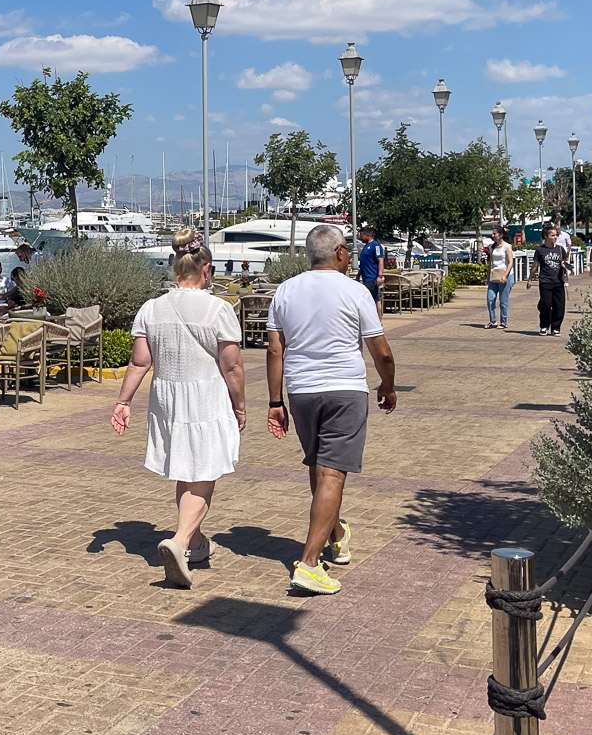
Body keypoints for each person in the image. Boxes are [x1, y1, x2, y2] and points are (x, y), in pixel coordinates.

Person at [266, 223, 397, 596]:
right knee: (333, 474)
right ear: (339, 253)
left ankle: (336, 535)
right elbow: (381, 351)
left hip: (301, 391)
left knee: (319, 465)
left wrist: (275, 401)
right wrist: (387, 386)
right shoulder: (355, 292)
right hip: (344, 390)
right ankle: (309, 564)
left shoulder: (286, 290)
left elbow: (276, 350)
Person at [111, 228, 244, 589]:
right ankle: (180, 541)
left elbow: (140, 363)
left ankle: (197, 544)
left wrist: (123, 402)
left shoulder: (152, 308)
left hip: (167, 401)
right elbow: (231, 366)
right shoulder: (219, 309)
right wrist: (241, 406)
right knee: (205, 472)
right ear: (207, 270)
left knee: (186, 471)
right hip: (206, 398)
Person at [530, 225, 568, 336]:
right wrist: (530, 280)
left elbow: (565, 262)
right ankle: (544, 325)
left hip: (558, 281)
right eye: (552, 235)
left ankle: (556, 327)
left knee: (559, 306)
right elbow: (535, 265)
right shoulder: (540, 250)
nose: (555, 237)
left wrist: (565, 265)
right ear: (546, 236)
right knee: (546, 304)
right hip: (545, 281)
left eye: (556, 235)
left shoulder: (560, 249)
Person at [486, 227, 514, 330]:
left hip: (505, 275)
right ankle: (493, 321)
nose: (493, 236)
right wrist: (488, 276)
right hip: (494, 275)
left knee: (503, 301)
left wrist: (505, 275)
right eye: (492, 234)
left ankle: (503, 322)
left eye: (495, 234)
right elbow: (491, 263)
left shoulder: (507, 247)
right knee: (490, 298)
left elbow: (511, 263)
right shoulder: (492, 247)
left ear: (501, 235)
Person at [357, 226, 385, 308]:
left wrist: (380, 276)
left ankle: (376, 319)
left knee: (370, 300)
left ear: (368, 235)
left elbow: (381, 260)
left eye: (362, 236)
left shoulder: (375, 246)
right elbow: (364, 263)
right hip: (366, 278)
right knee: (375, 299)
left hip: (372, 278)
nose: (361, 237)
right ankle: (378, 320)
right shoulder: (365, 246)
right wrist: (359, 275)